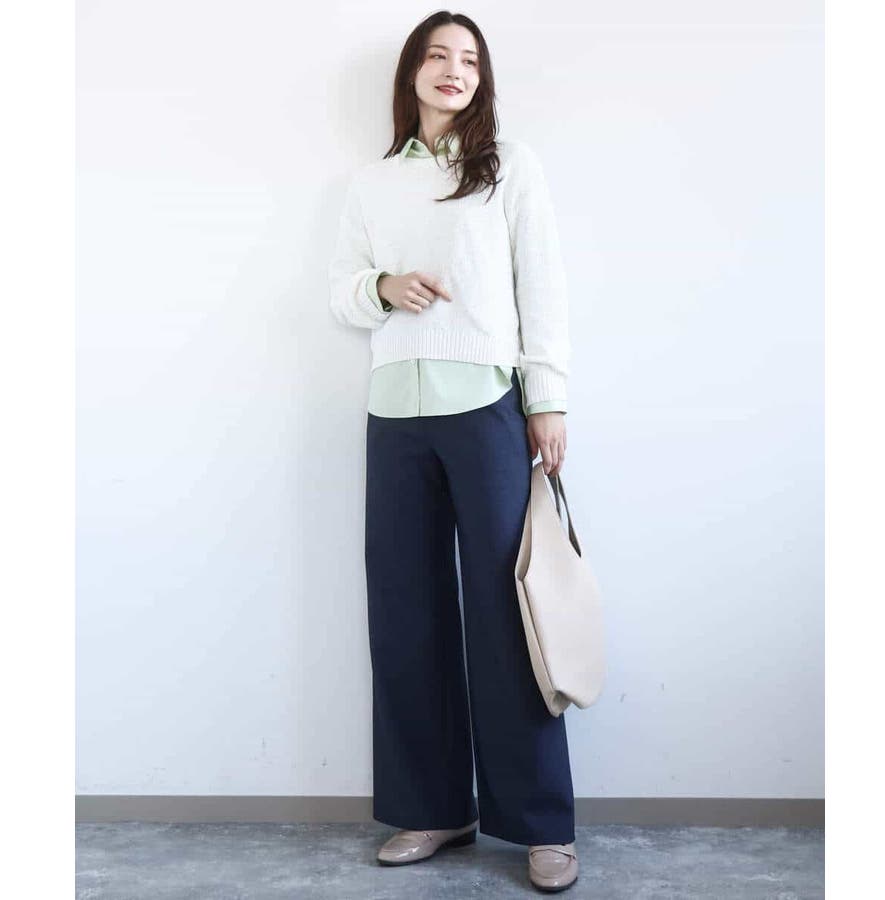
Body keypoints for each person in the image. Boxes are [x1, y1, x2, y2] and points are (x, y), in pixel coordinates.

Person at [327, 10, 577, 893]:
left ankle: (541, 824)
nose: (453, 69)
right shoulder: (371, 184)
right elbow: (342, 290)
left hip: (486, 409)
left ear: (482, 79)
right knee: (405, 610)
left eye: (469, 59)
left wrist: (546, 399)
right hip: (394, 412)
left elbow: (541, 284)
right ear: (412, 73)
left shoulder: (508, 166)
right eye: (437, 55)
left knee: (508, 611)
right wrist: (382, 286)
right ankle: (433, 808)